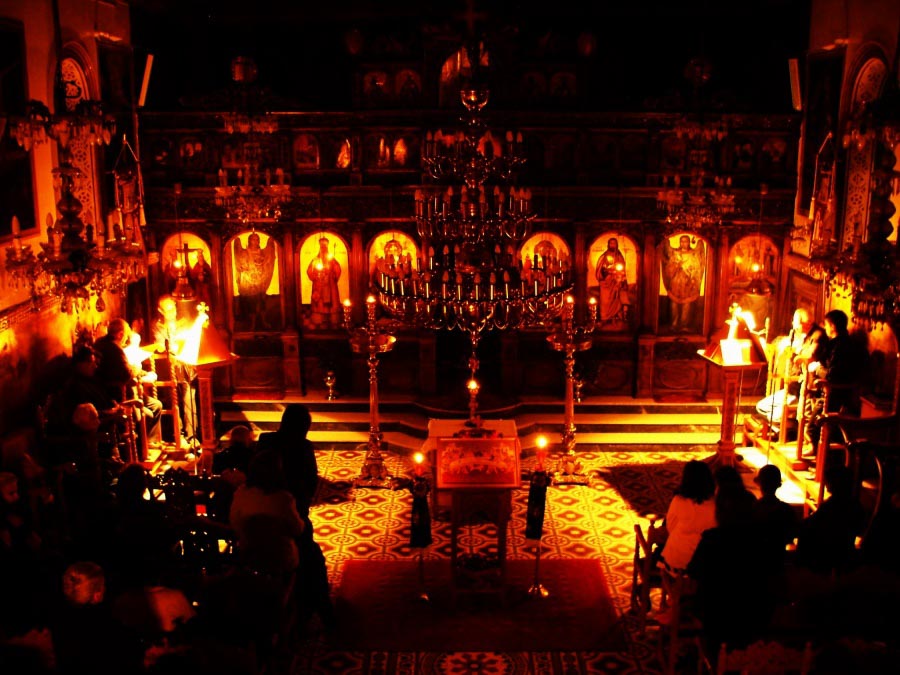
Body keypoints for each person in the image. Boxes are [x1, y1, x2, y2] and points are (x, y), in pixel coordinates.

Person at [256, 404, 335, 631]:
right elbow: (310, 484)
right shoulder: (302, 449)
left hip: (253, 543)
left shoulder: (264, 442)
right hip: (286, 530)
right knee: (313, 559)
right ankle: (321, 611)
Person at [802, 309, 870, 456]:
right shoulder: (839, 343)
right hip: (836, 392)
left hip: (836, 394)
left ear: (832, 326)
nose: (825, 328)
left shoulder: (841, 346)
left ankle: (819, 458)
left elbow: (832, 375)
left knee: (812, 426)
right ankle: (817, 451)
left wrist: (817, 368)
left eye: (826, 325)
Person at [755, 307, 825, 435]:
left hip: (803, 390)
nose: (794, 326)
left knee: (776, 416)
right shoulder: (797, 333)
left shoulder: (817, 335)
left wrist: (795, 351)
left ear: (806, 323)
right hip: (792, 387)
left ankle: (790, 429)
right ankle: (782, 429)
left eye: (796, 323)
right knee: (761, 407)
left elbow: (810, 356)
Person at [151, 295, 199, 449]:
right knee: (173, 402)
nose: (172, 313)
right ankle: (178, 435)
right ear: (160, 311)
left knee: (189, 400)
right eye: (168, 310)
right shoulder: (157, 326)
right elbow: (160, 346)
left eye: (173, 309)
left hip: (186, 367)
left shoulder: (184, 322)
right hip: (169, 369)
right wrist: (170, 346)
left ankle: (192, 436)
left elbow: (192, 339)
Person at [658, 459, 717, 571]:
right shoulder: (716, 504)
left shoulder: (679, 501)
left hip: (676, 561)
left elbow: (670, 527)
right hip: (704, 566)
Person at [660, 234, 706, 332]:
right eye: (682, 241)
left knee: (687, 305)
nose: (684, 243)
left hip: (688, 283)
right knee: (674, 304)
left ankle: (684, 325)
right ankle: (674, 324)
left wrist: (691, 275)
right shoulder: (675, 253)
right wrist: (676, 265)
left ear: (689, 242)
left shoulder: (693, 254)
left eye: (686, 241)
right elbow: (669, 268)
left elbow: (697, 268)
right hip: (676, 282)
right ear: (680, 242)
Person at [234, 232, 276, 330]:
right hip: (249, 282)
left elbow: (268, 260)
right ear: (249, 241)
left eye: (257, 239)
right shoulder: (244, 252)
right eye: (253, 239)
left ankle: (263, 321)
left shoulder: (262, 252)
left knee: (262, 302)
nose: (255, 241)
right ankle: (252, 323)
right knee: (251, 303)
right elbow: (241, 265)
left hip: (260, 281)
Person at [306, 236, 342, 329]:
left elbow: (338, 269)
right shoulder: (315, 260)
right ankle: (319, 321)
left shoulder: (332, 260)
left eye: (325, 246)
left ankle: (333, 321)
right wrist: (315, 276)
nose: (323, 248)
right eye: (322, 246)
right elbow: (309, 270)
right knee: (319, 303)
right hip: (319, 285)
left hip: (330, 285)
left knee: (332, 302)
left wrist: (333, 275)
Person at [594, 237, 630, 325]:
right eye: (611, 243)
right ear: (608, 245)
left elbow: (622, 269)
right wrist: (606, 270)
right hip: (606, 282)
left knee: (616, 299)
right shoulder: (604, 256)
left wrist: (619, 276)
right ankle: (604, 318)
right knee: (605, 300)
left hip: (616, 281)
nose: (612, 245)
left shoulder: (619, 256)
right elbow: (599, 269)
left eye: (614, 243)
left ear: (616, 245)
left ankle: (616, 317)